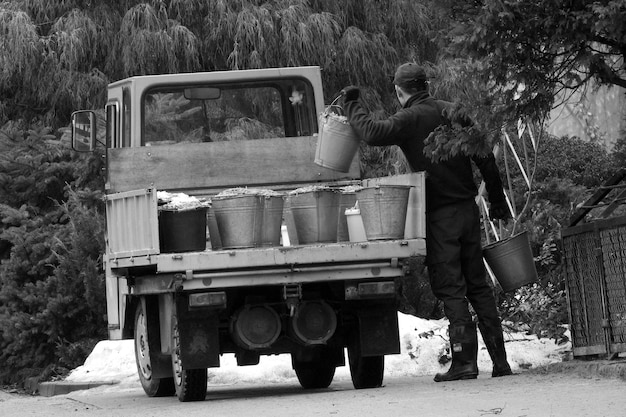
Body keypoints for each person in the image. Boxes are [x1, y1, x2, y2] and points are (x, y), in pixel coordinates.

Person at [341, 62, 513, 382]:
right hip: (467, 212)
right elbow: (485, 155)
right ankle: (501, 362)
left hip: (441, 217)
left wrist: (351, 104)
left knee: (451, 288)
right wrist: (498, 201)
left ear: (399, 91)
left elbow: (372, 132)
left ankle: (464, 362)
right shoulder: (454, 112)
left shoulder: (410, 118)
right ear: (427, 85)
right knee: (477, 285)